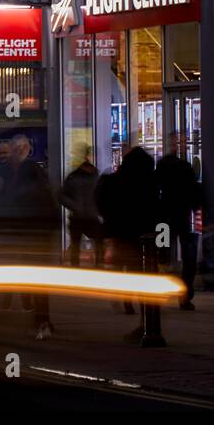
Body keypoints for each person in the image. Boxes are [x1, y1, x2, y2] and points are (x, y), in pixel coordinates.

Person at [97, 146, 161, 326]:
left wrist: (110, 228)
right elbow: (157, 212)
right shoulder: (151, 183)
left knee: (121, 267)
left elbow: (102, 204)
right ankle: (146, 321)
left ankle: (125, 298)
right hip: (144, 237)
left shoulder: (113, 181)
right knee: (142, 275)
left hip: (121, 234)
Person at [7, 135, 58, 338]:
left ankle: (41, 322)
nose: (12, 153)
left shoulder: (26, 171)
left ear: (22, 149)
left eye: (14, 149)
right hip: (40, 233)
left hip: (33, 234)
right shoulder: (35, 171)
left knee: (34, 281)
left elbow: (21, 202)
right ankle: (42, 320)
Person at [157, 133, 201, 310]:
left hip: (165, 220)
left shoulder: (161, 166)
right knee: (187, 258)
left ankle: (161, 292)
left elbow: (156, 191)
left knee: (162, 256)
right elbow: (194, 194)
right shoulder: (186, 167)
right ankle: (184, 296)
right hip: (182, 218)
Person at [60, 149, 103, 267]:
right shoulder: (92, 176)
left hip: (85, 217)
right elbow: (62, 196)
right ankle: (96, 268)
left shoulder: (77, 176)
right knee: (80, 246)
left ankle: (88, 268)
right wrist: (75, 206)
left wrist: (75, 206)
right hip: (83, 217)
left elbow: (62, 195)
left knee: (85, 245)